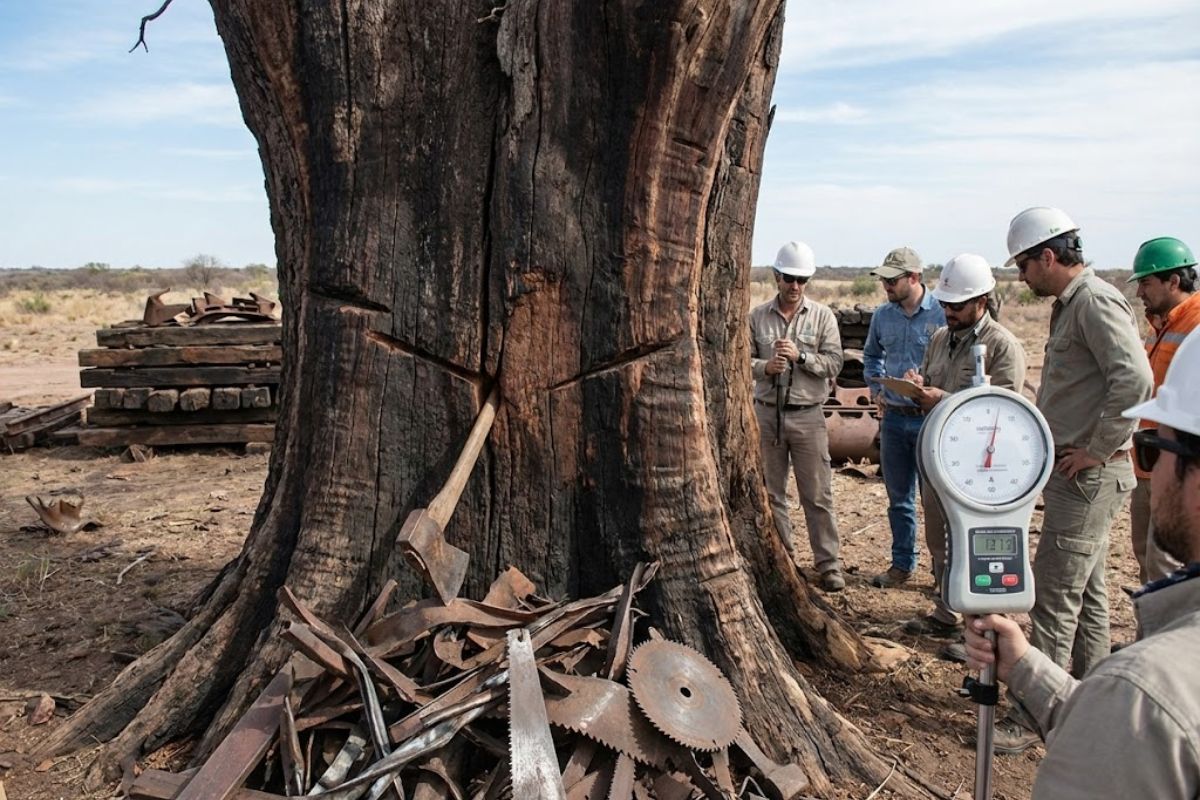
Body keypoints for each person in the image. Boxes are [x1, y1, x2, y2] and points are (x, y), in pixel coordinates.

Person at [964, 327, 1200, 799]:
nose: (1148, 476)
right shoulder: (1138, 703)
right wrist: (1029, 670)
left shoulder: (1144, 691)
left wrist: (1120, 692)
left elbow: (1139, 719)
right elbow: (1126, 733)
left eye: (1152, 451)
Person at [993, 207, 1152, 753]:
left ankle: (1033, 715)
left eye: (1024, 266)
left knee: (1056, 592)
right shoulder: (1073, 303)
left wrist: (1097, 449)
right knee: (1086, 589)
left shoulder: (1093, 300)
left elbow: (1134, 380)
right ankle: (1092, 696)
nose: (1022, 278)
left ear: (1049, 256)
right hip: (1080, 471)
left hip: (1088, 473)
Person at [899, 254, 1026, 649]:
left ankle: (984, 629)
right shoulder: (940, 338)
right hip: (942, 458)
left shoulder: (1002, 346)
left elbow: (1005, 411)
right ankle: (946, 610)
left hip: (981, 469)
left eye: (957, 306)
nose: (949, 312)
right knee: (939, 537)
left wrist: (944, 399)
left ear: (981, 303)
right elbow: (932, 380)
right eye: (946, 305)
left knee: (974, 544)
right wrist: (919, 384)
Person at [750, 241, 846, 591]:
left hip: (808, 416)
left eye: (802, 280)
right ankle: (785, 561)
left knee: (817, 494)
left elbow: (835, 363)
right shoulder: (757, 317)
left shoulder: (822, 317)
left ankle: (829, 565)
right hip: (766, 416)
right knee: (771, 494)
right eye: (789, 278)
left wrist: (801, 358)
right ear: (776, 277)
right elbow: (739, 361)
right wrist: (765, 367)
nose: (795, 286)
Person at [862, 247, 945, 588]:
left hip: (932, 419)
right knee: (899, 499)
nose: (886, 287)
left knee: (937, 501)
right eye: (883, 280)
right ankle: (901, 564)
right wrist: (877, 390)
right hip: (895, 419)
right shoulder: (884, 316)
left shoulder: (943, 313)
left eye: (892, 280)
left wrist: (932, 386)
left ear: (914, 278)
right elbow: (871, 356)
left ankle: (943, 573)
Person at [1126, 236, 1200, 583]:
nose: (1140, 292)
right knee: (1149, 562)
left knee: (1170, 570)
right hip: (1151, 461)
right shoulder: (1161, 325)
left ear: (1174, 280)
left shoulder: (1195, 326)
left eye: (1146, 282)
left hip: (1180, 464)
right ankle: (1151, 634)